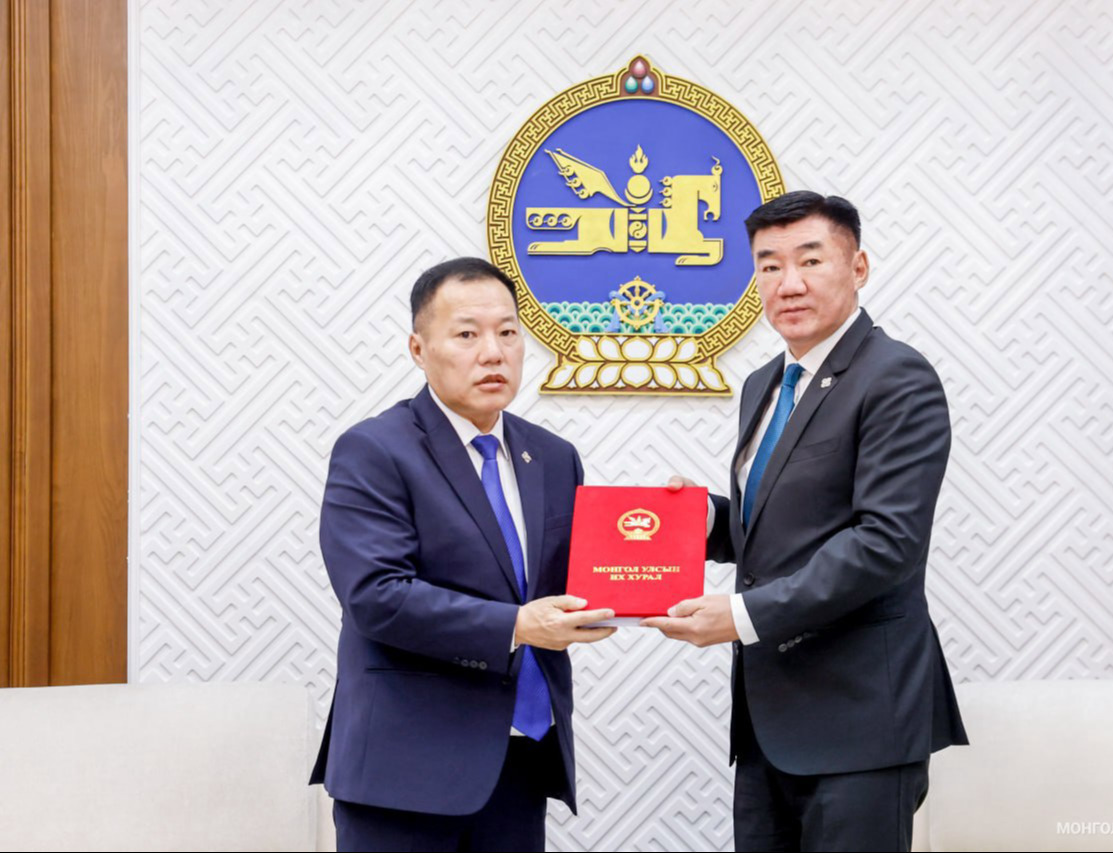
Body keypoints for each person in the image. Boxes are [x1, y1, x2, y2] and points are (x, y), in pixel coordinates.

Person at [644, 192, 967, 852]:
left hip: (860, 719)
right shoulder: (764, 382)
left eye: (810, 260)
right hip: (769, 721)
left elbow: (886, 543)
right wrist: (704, 520)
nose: (787, 283)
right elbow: (779, 527)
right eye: (769, 265)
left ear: (858, 267)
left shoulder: (896, 377)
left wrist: (740, 615)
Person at [309, 257, 616, 852]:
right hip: (404, 772)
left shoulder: (553, 456)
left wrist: (678, 526)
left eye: (507, 332)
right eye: (467, 334)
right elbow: (377, 596)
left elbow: (585, 567)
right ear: (419, 349)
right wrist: (518, 625)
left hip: (520, 760)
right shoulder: (375, 449)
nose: (493, 353)